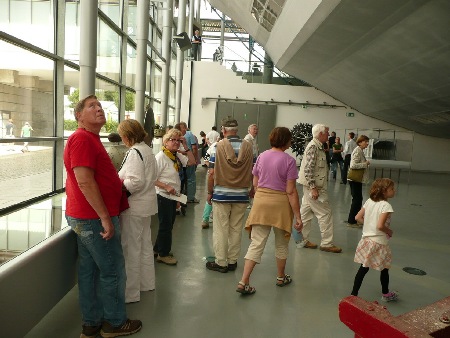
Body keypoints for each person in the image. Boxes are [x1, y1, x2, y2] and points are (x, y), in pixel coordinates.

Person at [64, 95, 141, 338]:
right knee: (113, 270)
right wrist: (105, 218)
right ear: (79, 116)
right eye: (91, 106)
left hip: (87, 217)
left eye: (99, 105)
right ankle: (115, 323)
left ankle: (92, 324)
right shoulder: (82, 139)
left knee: (90, 271)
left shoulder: (90, 139)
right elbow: (85, 182)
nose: (98, 109)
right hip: (93, 219)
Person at [236, 127, 303, 295]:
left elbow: (256, 183)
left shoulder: (262, 156)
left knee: (257, 242)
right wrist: (298, 216)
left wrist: (262, 196)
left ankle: (243, 281)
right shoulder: (289, 161)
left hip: (261, 202)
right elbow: (291, 191)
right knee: (281, 243)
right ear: (286, 141)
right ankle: (281, 277)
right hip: (280, 204)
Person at [206, 116, 255, 273]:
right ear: (237, 130)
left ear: (223, 130)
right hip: (241, 194)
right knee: (236, 228)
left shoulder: (217, 147)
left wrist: (209, 192)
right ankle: (233, 260)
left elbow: (212, 173)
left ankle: (221, 262)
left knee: (221, 229)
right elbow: (253, 171)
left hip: (221, 194)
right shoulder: (248, 146)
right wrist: (252, 189)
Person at [117, 119, 158, 303]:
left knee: (131, 249)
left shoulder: (134, 152)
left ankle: (130, 293)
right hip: (147, 205)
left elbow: (135, 181)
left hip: (134, 207)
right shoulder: (147, 149)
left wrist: (119, 185)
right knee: (145, 246)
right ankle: (146, 283)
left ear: (127, 136)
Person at [350, 178, 398, 302]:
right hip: (379, 243)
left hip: (366, 240)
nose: (394, 191)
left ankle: (353, 294)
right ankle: (386, 294)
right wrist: (389, 231)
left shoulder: (369, 201)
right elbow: (380, 226)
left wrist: (369, 224)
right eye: (392, 189)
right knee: (385, 268)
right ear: (384, 191)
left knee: (363, 268)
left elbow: (357, 217)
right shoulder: (386, 205)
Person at [297, 124, 342, 253]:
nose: (328, 135)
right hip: (314, 187)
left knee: (305, 214)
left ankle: (301, 240)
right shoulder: (313, 147)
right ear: (320, 134)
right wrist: (313, 187)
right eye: (327, 133)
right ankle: (327, 244)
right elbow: (308, 168)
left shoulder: (318, 146)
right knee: (325, 213)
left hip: (311, 186)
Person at [154, 128, 195, 265]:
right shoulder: (161, 157)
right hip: (163, 195)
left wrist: (186, 147)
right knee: (166, 225)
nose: (176, 143)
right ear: (165, 142)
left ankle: (158, 249)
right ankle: (163, 254)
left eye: (179, 140)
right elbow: (151, 178)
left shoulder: (176, 156)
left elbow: (192, 162)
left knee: (168, 224)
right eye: (173, 140)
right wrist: (166, 186)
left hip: (173, 196)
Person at [200, 132, 223, 229]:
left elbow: (205, 159)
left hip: (212, 174)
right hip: (223, 177)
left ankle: (205, 219)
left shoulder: (212, 147)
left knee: (210, 196)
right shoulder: (225, 146)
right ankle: (214, 217)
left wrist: (211, 167)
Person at [347, 135, 371, 227]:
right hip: (354, 179)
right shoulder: (357, 151)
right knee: (357, 200)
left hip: (357, 179)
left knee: (358, 199)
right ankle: (352, 221)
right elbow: (353, 165)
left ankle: (356, 219)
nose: (367, 144)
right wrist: (365, 164)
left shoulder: (360, 151)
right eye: (365, 141)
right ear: (360, 142)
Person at [175, 122, 199, 203]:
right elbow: (194, 148)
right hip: (187, 159)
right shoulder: (189, 134)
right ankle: (190, 197)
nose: (185, 129)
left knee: (182, 179)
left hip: (182, 161)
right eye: (183, 128)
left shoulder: (181, 138)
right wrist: (195, 158)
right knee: (191, 179)